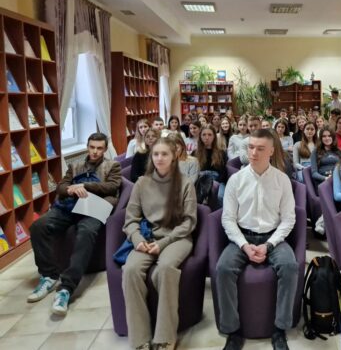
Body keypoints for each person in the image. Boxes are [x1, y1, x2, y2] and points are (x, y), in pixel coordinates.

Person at [217, 129, 298, 350]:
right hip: (242, 236)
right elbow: (228, 219)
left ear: (271, 151)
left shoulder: (282, 180)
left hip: (273, 236)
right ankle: (233, 331)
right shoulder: (236, 180)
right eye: (250, 147)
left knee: (290, 267)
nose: (253, 153)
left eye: (260, 149)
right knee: (223, 269)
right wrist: (244, 245)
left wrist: (269, 244)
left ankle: (280, 329)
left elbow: (288, 219)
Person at [28, 133, 121, 315]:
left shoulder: (113, 165)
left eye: (99, 148)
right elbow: (61, 187)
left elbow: (111, 186)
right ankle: (49, 275)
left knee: (86, 232)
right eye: (92, 147)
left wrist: (84, 186)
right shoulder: (75, 165)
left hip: (94, 208)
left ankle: (66, 288)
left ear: (105, 149)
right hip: (70, 207)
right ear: (87, 146)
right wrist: (70, 190)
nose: (95, 151)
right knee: (38, 226)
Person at [122, 137, 197, 350]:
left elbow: (189, 222)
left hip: (177, 238)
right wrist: (137, 240)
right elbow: (130, 219)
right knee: (130, 270)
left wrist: (163, 244)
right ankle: (140, 338)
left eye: (165, 154)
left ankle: (165, 337)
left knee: (165, 269)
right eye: (156, 154)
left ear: (174, 156)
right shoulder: (142, 183)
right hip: (147, 238)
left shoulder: (185, 183)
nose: (159, 158)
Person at [196, 124, 228, 202]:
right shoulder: (195, 153)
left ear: (214, 137)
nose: (207, 137)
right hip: (201, 179)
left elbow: (223, 173)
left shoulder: (221, 153)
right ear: (200, 136)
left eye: (210, 135)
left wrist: (214, 183)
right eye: (204, 135)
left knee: (220, 196)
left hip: (217, 180)